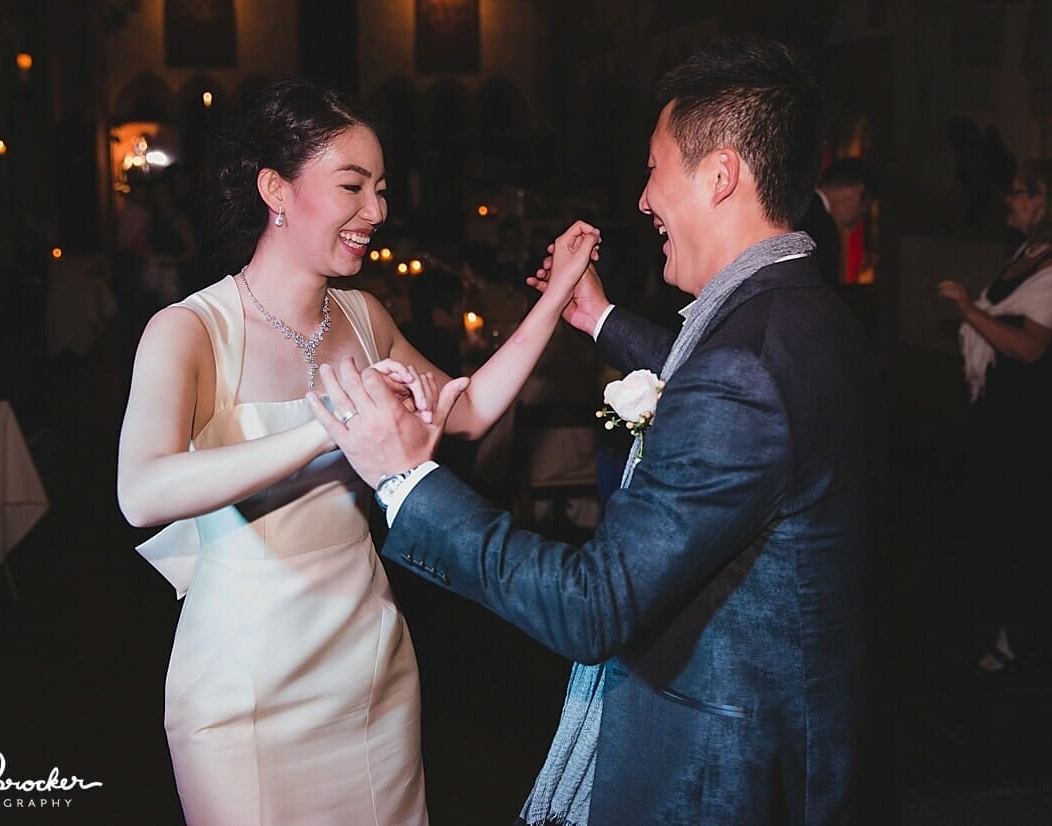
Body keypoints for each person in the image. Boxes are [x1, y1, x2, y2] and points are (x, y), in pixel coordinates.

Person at [308, 36, 890, 825]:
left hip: (725, 771)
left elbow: (594, 606)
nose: (644, 198)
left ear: (720, 176)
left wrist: (406, 479)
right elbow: (720, 384)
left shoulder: (746, 368)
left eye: (654, 169)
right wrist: (598, 318)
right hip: (800, 738)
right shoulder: (805, 312)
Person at [116, 79, 597, 826]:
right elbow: (141, 492)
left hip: (368, 664)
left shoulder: (364, 317)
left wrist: (556, 296)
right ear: (275, 188)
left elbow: (463, 411)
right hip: (243, 683)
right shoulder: (190, 331)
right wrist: (326, 430)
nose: (376, 212)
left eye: (379, 188)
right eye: (352, 186)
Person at [937, 157, 1052, 673]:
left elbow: (1029, 347)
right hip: (1010, 413)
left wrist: (968, 311)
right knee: (1010, 521)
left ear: (1044, 202)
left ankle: (1028, 641)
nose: (1009, 198)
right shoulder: (1030, 253)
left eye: (1020, 191)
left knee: (1031, 525)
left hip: (1040, 417)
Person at [796, 156, 877, 286]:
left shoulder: (795, 206)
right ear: (855, 194)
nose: (854, 226)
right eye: (861, 214)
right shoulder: (824, 227)